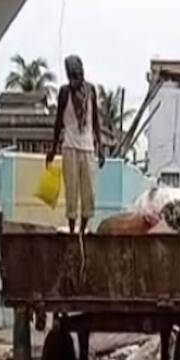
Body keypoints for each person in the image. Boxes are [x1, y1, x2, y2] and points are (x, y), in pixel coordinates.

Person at [47, 55, 105, 235]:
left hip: (87, 147)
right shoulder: (64, 92)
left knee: (88, 194)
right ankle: (72, 231)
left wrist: (100, 146)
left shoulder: (91, 91)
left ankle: (83, 229)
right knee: (71, 193)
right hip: (70, 147)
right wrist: (53, 148)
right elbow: (58, 122)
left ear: (81, 73)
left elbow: (95, 119)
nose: (73, 80)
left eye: (76, 75)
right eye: (70, 76)